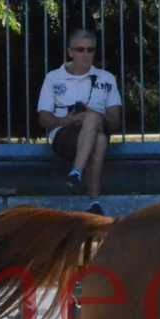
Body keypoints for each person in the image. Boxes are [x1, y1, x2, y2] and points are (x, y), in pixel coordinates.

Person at [36, 28, 121, 215]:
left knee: (94, 121)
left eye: (90, 50)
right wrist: (69, 119)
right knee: (99, 141)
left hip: (98, 127)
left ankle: (76, 174)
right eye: (80, 49)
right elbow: (43, 118)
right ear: (70, 52)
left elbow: (115, 121)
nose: (85, 54)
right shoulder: (53, 78)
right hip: (64, 135)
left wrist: (95, 117)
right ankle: (93, 200)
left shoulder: (106, 78)